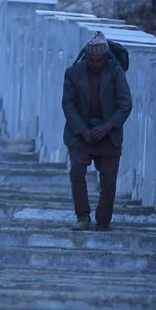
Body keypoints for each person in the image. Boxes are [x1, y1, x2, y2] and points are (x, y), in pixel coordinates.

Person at [61, 31, 133, 231]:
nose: (95, 64)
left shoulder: (115, 72)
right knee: (77, 171)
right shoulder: (73, 73)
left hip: (108, 134)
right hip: (80, 134)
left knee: (108, 181)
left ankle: (103, 220)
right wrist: (83, 131)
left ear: (104, 58)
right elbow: (68, 105)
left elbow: (125, 104)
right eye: (91, 60)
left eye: (98, 60)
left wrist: (108, 126)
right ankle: (82, 216)